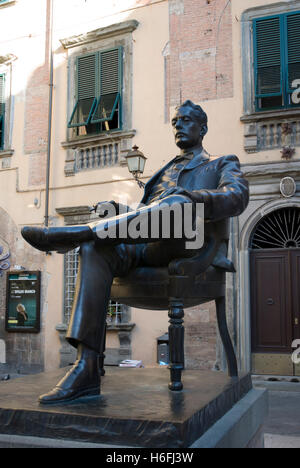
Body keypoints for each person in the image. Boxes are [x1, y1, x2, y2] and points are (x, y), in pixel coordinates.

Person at [21, 100, 249, 404]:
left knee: (176, 205)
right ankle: (86, 367)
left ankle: (77, 232)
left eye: (186, 120)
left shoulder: (222, 163)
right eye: (175, 121)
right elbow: (144, 215)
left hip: (187, 244)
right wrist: (122, 212)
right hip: (145, 240)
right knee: (95, 248)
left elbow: (237, 197)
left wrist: (190, 197)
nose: (178, 125)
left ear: (203, 128)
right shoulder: (166, 169)